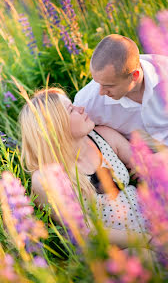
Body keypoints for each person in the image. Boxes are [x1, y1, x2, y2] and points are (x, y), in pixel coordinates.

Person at [19, 87, 150, 249]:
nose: (81, 109)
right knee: (143, 256)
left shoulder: (104, 137)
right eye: (71, 109)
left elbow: (150, 167)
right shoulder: (47, 177)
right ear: (55, 126)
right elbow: (85, 230)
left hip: (153, 220)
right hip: (115, 251)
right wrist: (146, 241)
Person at [74, 34, 168, 153]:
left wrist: (165, 160)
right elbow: (69, 135)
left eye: (109, 85)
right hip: (139, 166)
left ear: (135, 75)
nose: (101, 92)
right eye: (97, 82)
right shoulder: (87, 100)